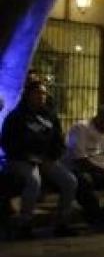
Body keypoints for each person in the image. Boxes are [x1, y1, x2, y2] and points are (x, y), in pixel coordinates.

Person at [0, 80, 79, 238]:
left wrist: (52, 156)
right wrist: (27, 156)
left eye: (43, 93)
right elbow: (8, 141)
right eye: (37, 93)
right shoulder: (17, 116)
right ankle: (24, 224)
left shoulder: (49, 115)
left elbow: (58, 140)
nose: (41, 96)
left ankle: (62, 223)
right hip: (22, 159)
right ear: (28, 95)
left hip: (46, 159)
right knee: (33, 182)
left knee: (70, 181)